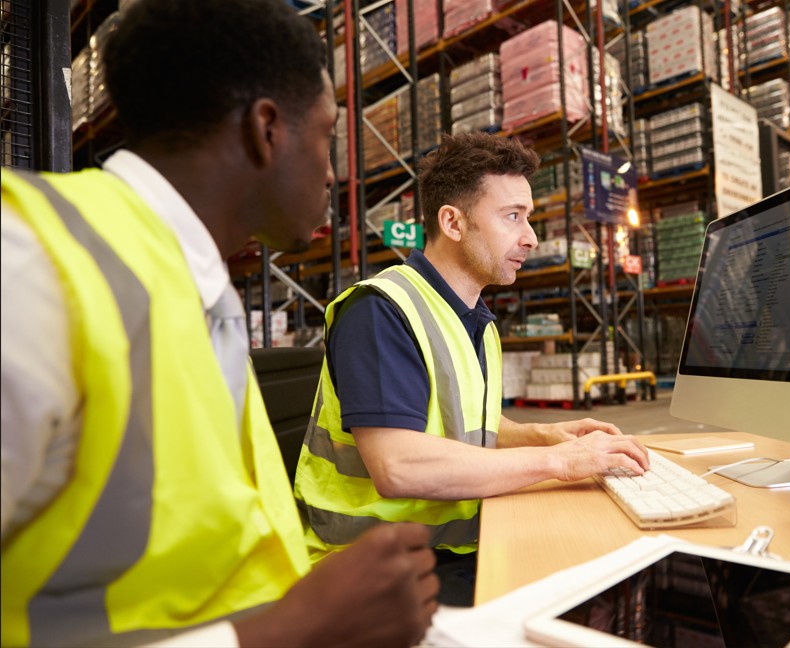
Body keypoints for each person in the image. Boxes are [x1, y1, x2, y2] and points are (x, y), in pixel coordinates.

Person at [0, 1, 437, 646]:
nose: (331, 172)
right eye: (326, 134)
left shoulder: (196, 289)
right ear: (266, 130)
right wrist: (292, 629)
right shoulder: (28, 265)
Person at [294, 132, 651, 605]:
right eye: (512, 217)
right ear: (453, 222)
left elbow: (467, 426)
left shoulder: (474, 320)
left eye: (528, 217)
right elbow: (398, 465)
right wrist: (560, 462)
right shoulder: (380, 311)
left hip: (447, 547)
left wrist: (546, 435)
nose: (531, 237)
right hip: (368, 567)